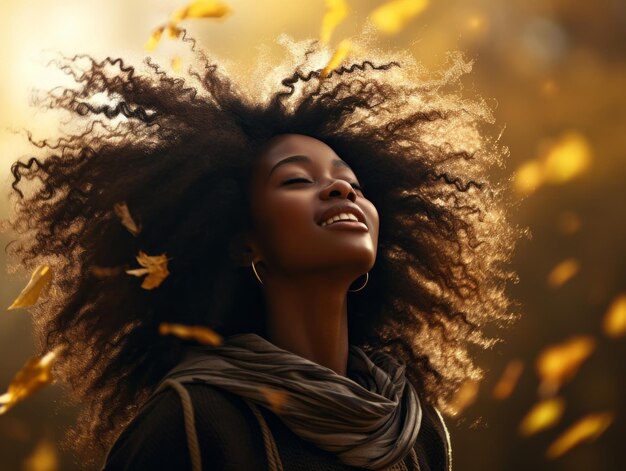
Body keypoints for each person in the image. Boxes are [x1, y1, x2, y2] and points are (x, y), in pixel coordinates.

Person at [3, 34, 520, 470]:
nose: (343, 192)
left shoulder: (414, 428)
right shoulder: (192, 424)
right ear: (243, 239)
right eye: (297, 179)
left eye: (352, 183)